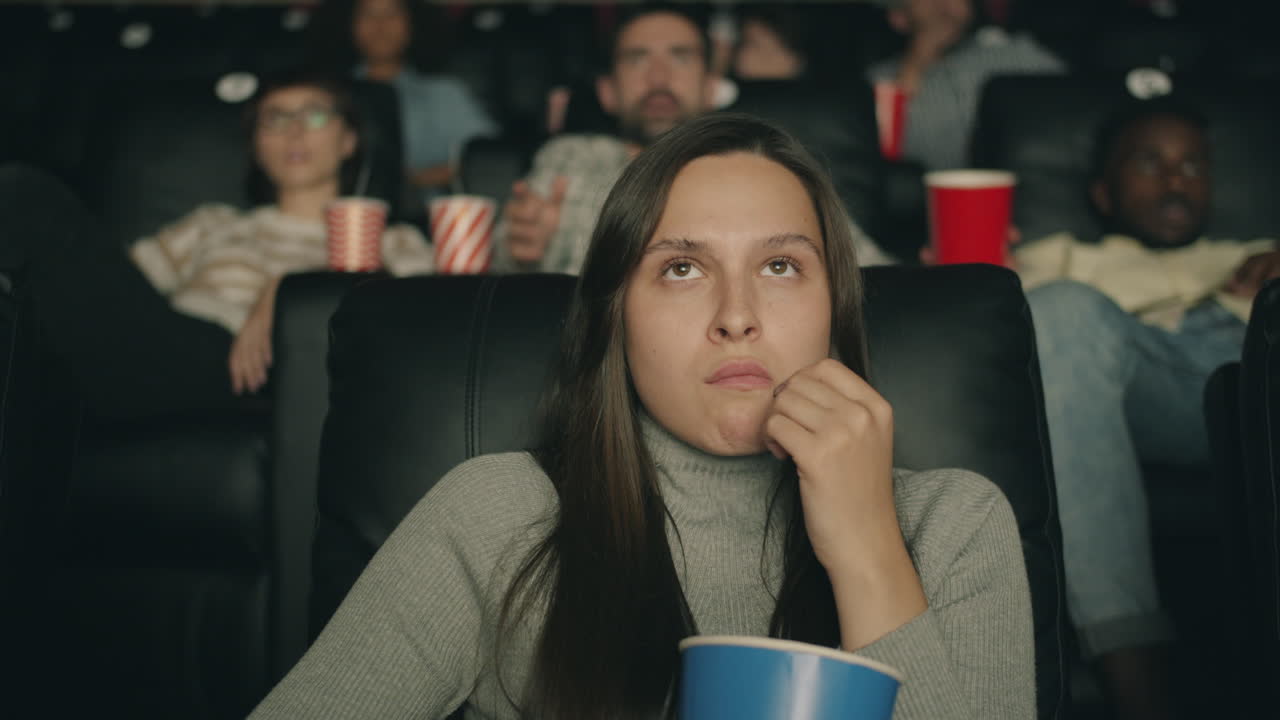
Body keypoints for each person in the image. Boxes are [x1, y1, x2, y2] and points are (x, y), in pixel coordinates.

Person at [250, 113, 1034, 719]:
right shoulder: (496, 516)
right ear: (616, 317)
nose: (737, 316)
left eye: (780, 265)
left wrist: (867, 547)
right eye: (683, 268)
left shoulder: (954, 525)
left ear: (835, 309)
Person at [1015, 98, 1279, 719]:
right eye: (1149, 163)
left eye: (1193, 165)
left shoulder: (1260, 253)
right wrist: (965, 267)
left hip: (1251, 381)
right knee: (1061, 310)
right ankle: (1140, 689)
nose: (1175, 181)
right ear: (1102, 193)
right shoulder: (1055, 258)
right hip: (1127, 383)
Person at [0, 70, 432, 419]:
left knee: (23, 192)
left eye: (315, 115)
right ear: (256, 147)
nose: (295, 132)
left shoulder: (390, 240)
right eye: (275, 119)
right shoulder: (212, 224)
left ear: (349, 140)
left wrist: (286, 291)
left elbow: (424, 326)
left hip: (257, 376)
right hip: (164, 346)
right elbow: (115, 291)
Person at [495, 3, 894, 275]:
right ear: (607, 92)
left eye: (680, 56)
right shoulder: (568, 158)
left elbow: (874, 277)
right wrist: (520, 254)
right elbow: (497, 262)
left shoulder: (765, 169)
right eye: (637, 58)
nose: (658, 77)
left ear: (711, 88)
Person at [315, 0, 497, 203]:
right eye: (368, 15)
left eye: (392, 14)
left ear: (413, 23)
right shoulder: (326, 97)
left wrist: (414, 180)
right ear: (348, 25)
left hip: (425, 213)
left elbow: (489, 161)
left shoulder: (444, 95)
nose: (380, 25)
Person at [866, 0, 1064, 170]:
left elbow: (1068, 113)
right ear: (898, 17)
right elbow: (888, 152)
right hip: (927, 189)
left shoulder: (1016, 53)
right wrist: (919, 58)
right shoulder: (882, 77)